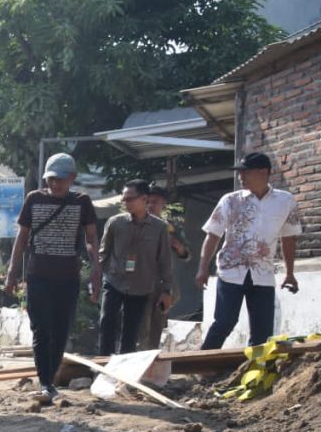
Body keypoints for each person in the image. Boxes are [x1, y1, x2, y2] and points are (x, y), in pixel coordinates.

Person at [4, 153, 101, 403]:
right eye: (51, 179)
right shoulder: (34, 199)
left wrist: (96, 271)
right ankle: (46, 382)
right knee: (41, 329)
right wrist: (12, 273)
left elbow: (91, 240)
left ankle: (51, 378)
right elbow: (22, 238)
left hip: (68, 278)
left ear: (72, 178)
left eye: (60, 179)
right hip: (38, 276)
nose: (55, 184)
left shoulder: (82, 202)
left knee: (60, 330)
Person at [197, 152, 303, 349]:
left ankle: (255, 373)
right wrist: (202, 268)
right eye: (240, 173)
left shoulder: (285, 201)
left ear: (263, 172)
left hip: (263, 274)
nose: (240, 177)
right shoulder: (230, 200)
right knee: (225, 322)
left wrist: (290, 273)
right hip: (230, 273)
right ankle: (200, 366)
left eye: (245, 172)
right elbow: (213, 235)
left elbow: (289, 238)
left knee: (263, 331)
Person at [97, 180, 173, 355]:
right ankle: (102, 367)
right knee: (107, 323)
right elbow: (103, 253)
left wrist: (166, 290)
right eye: (124, 199)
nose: (126, 203)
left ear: (144, 198)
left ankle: (124, 370)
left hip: (141, 287)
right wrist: (98, 278)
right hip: (114, 282)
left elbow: (165, 261)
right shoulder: (115, 223)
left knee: (130, 331)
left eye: (130, 199)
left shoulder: (159, 227)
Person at [139, 185, 191, 349]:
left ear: (163, 204)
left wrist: (178, 247)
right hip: (138, 282)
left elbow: (187, 255)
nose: (150, 205)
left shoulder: (171, 227)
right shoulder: (135, 224)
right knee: (141, 327)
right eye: (147, 201)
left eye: (155, 202)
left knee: (157, 327)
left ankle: (152, 361)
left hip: (163, 285)